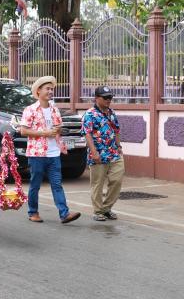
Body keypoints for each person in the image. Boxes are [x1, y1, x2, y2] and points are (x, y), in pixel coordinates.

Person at [18, 76, 80, 224]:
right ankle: (33, 212)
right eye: (48, 89)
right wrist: (44, 133)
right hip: (37, 154)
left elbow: (58, 129)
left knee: (57, 184)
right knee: (35, 184)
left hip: (54, 153)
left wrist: (58, 132)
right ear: (39, 91)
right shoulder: (30, 109)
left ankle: (64, 213)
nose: (51, 91)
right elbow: (23, 131)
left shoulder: (54, 109)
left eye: (52, 89)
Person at [81, 86, 124, 222]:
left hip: (114, 153)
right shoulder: (90, 114)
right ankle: (98, 211)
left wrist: (119, 146)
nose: (108, 100)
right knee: (97, 184)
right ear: (96, 98)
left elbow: (116, 130)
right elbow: (87, 134)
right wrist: (94, 152)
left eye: (110, 97)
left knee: (117, 180)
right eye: (105, 97)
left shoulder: (111, 113)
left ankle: (106, 208)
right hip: (98, 155)